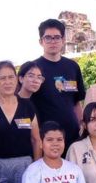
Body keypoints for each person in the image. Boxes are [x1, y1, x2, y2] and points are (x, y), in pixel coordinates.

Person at [30, 19, 86, 148]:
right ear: (41, 41)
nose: (53, 41)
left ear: (63, 40)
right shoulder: (33, 69)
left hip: (72, 135)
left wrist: (82, 127)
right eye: (48, 38)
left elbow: (76, 103)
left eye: (56, 37)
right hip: (47, 139)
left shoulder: (72, 66)